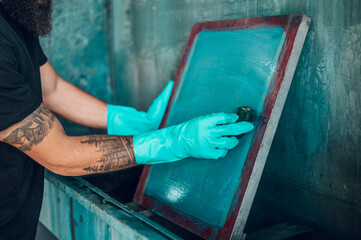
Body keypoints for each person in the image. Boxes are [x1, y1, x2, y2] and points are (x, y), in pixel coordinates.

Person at [0, 0, 254, 239]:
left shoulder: (14, 17)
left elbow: (52, 88)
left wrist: (129, 120)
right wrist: (173, 142)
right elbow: (61, 155)